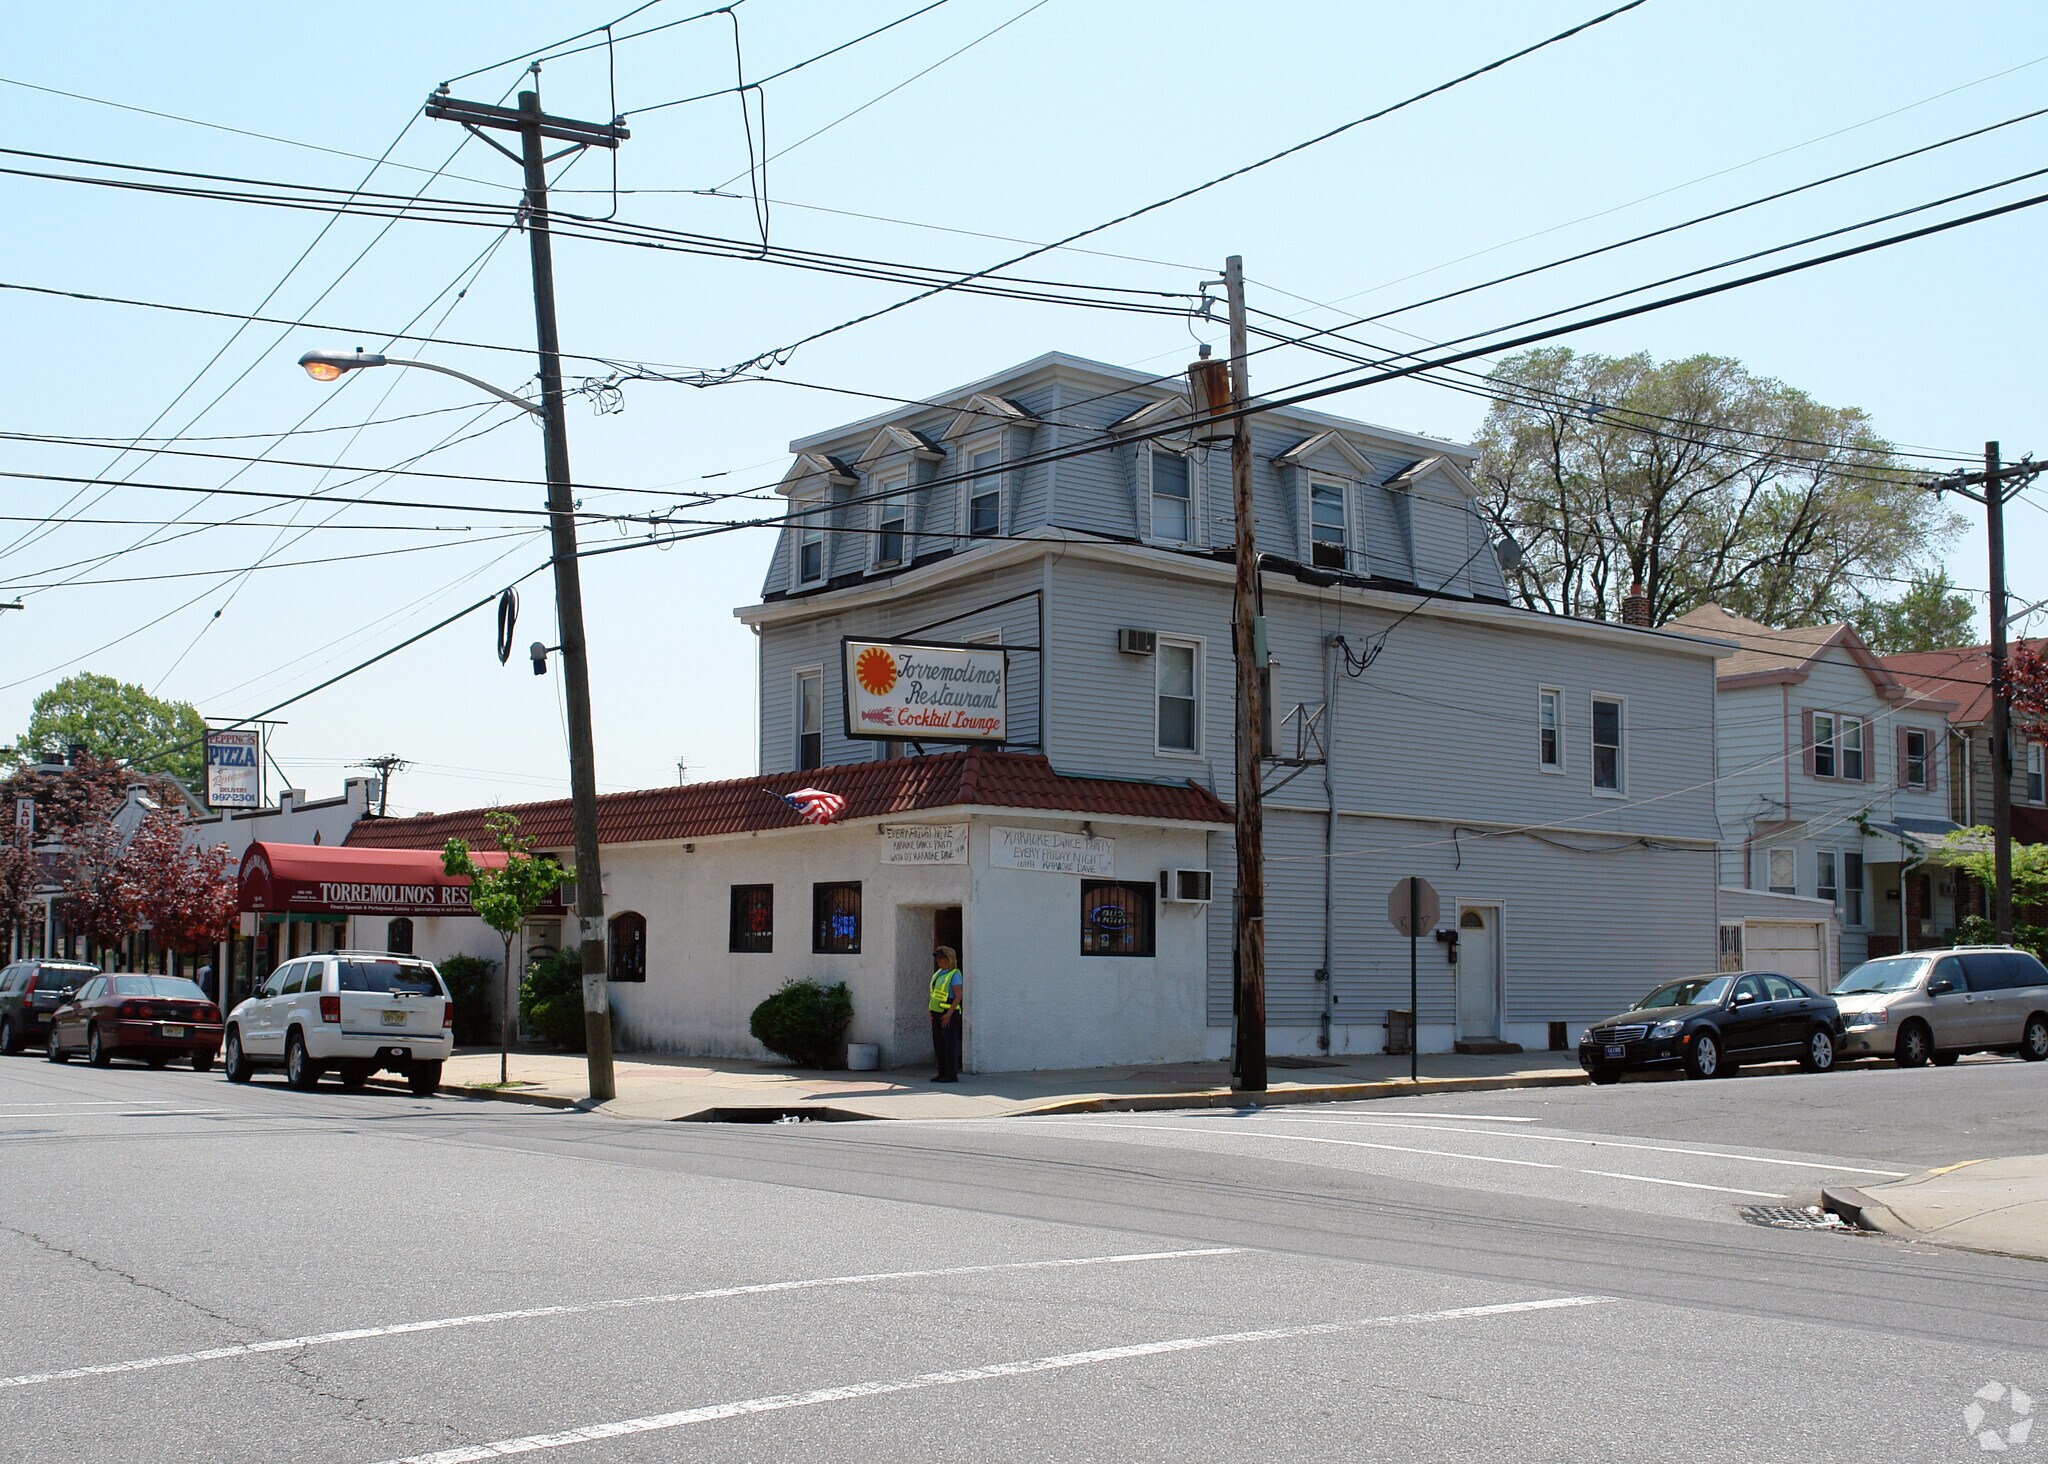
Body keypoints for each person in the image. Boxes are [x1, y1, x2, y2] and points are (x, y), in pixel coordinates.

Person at [928, 944, 963, 1083]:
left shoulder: (954, 975)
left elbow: (958, 995)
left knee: (950, 1045)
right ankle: (941, 1073)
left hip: (948, 1015)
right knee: (939, 1044)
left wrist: (949, 1014)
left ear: (949, 959)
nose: (938, 961)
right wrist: (930, 1011)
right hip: (936, 1014)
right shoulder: (938, 973)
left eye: (941, 958)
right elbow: (934, 994)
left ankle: (951, 1075)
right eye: (937, 958)